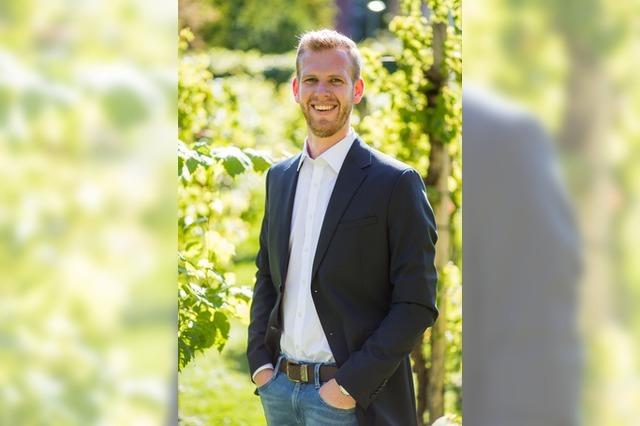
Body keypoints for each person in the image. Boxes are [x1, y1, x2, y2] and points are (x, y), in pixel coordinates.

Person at [247, 29, 439, 426]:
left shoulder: (395, 183)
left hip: (351, 401)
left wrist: (348, 387)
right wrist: (260, 364)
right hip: (279, 391)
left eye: (336, 80)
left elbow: (416, 302)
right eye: (312, 80)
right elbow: (267, 276)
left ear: (357, 90)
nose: (322, 92)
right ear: (296, 89)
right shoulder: (279, 178)